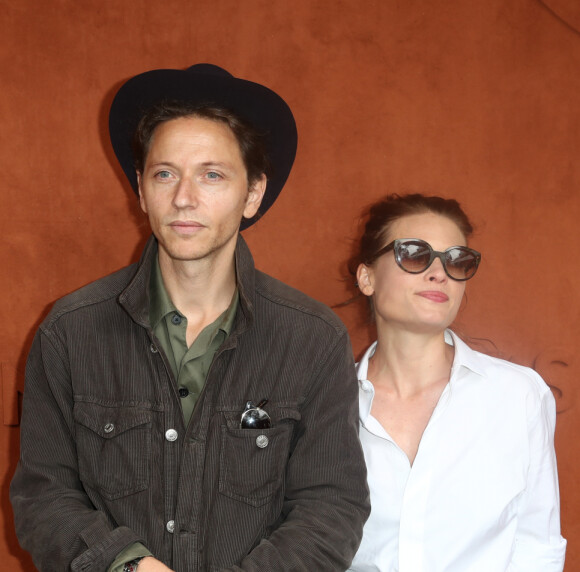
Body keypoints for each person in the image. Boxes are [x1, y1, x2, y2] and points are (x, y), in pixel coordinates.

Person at [10, 64, 370, 572]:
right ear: (140, 189)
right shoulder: (70, 331)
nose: (184, 197)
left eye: (212, 175)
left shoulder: (311, 339)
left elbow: (332, 506)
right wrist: (128, 566)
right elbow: (43, 498)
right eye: (165, 174)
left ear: (252, 194)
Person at [347, 193, 566, 571]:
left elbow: (537, 546)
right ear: (367, 277)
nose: (439, 273)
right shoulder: (326, 402)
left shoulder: (518, 396)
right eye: (414, 253)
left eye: (456, 261)